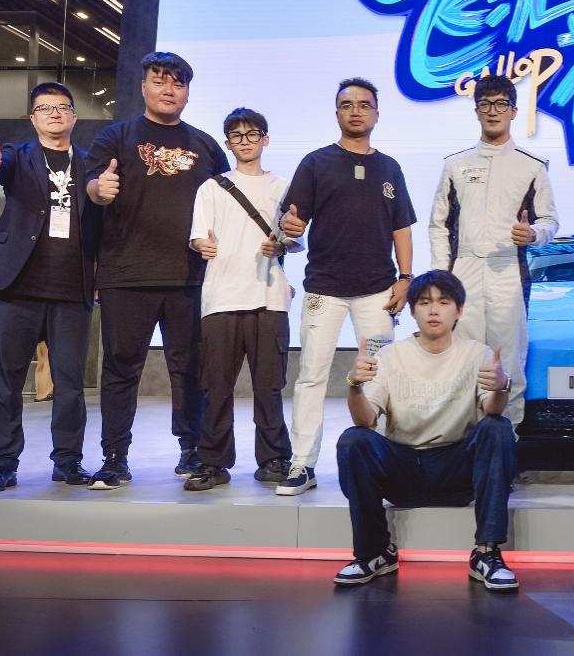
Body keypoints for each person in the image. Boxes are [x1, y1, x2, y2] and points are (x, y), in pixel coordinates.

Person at [84, 53, 229, 490]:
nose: (168, 89)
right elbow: (93, 186)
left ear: (187, 91)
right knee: (121, 368)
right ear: (143, 86)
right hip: (126, 274)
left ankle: (192, 449)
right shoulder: (116, 136)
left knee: (191, 369)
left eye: (177, 83)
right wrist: (100, 190)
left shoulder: (205, 145)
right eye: (159, 80)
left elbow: (229, 204)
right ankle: (115, 457)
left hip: (190, 277)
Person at [333, 270, 519, 591]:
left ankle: (486, 552)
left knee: (497, 428)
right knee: (353, 440)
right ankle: (375, 552)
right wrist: (354, 386)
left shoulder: (478, 353)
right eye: (424, 302)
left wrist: (502, 387)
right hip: (404, 469)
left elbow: (492, 410)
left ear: (459, 310)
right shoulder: (391, 355)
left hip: (456, 470)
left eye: (443, 302)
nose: (434, 310)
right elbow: (365, 421)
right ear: (412, 310)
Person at [278, 78, 416, 495]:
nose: (355, 111)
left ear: (377, 113)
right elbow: (292, 223)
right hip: (325, 290)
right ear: (336, 112)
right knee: (311, 377)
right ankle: (302, 464)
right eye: (346, 104)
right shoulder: (316, 163)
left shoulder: (390, 167)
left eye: (363, 104)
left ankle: (385, 463)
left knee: (381, 376)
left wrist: (406, 278)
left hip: (377, 293)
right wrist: (289, 228)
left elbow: (401, 227)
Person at [0, 82, 100, 493]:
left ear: (74, 117)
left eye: (63, 107)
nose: (55, 113)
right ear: (33, 118)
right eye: (45, 108)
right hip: (18, 287)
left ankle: (68, 462)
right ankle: (2, 465)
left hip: (71, 289)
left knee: (70, 385)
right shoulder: (16, 155)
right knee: (5, 383)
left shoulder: (90, 164)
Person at [429, 74, 558, 427]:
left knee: (509, 359)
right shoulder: (455, 164)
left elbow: (550, 220)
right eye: (485, 104)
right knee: (462, 357)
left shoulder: (532, 165)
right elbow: (439, 224)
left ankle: (506, 442)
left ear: (514, 111)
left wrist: (533, 234)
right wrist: (440, 275)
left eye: (501, 104)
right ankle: (462, 441)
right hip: (463, 270)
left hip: (508, 269)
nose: (493, 111)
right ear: (476, 111)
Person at [183, 108, 296, 491]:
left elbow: (294, 238)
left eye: (252, 134)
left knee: (269, 387)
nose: (245, 141)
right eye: (237, 135)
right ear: (228, 143)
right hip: (221, 298)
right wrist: (202, 245)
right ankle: (213, 462)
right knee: (216, 387)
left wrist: (280, 244)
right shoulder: (211, 187)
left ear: (266, 139)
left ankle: (274, 458)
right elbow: (199, 235)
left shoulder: (283, 186)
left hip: (269, 297)